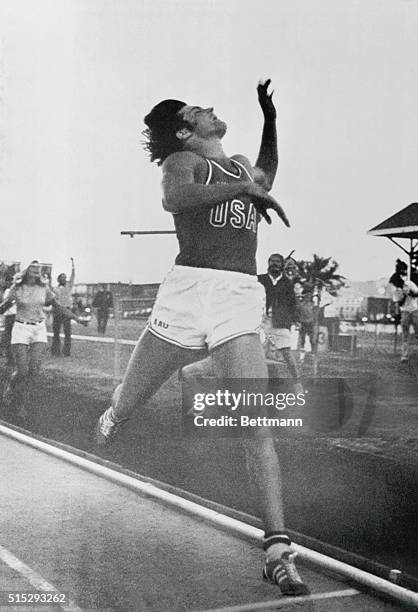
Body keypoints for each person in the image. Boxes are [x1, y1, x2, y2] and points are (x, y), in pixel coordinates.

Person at [95, 80, 309, 596]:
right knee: (130, 402)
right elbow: (176, 200)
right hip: (188, 294)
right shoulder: (183, 165)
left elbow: (265, 173)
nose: (211, 108)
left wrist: (271, 120)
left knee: (254, 422)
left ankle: (277, 551)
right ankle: (114, 414)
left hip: (237, 296)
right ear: (187, 132)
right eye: (199, 110)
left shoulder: (238, 165)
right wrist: (245, 189)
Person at [0, 261, 84, 417]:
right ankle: (11, 388)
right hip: (21, 328)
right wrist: (6, 303)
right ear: (27, 272)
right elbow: (4, 307)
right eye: (33, 269)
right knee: (22, 371)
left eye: (38, 270)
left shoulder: (44, 289)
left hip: (39, 329)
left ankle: (22, 405)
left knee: (34, 371)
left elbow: (58, 307)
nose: (37, 272)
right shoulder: (17, 288)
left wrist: (77, 319)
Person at [258, 253, 302, 393]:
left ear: (282, 265)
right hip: (261, 321)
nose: (274, 264)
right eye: (272, 261)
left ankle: (297, 384)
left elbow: (292, 304)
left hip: (280, 322)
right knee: (256, 352)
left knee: (286, 353)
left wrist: (296, 320)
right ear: (268, 263)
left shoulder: (287, 283)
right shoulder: (260, 279)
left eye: (277, 262)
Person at [389, 260, 418, 364]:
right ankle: (406, 356)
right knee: (407, 335)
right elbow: (399, 301)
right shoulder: (398, 289)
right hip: (407, 311)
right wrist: (405, 294)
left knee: (416, 334)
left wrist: (412, 294)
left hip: (412, 310)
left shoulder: (409, 284)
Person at [51, 257, 76, 356]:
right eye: (62, 278)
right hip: (57, 310)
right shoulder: (55, 289)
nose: (64, 279)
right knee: (56, 332)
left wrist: (73, 264)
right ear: (59, 279)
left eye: (65, 278)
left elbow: (73, 275)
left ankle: (66, 351)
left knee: (67, 332)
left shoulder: (69, 286)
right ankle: (55, 351)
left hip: (66, 310)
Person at [1, 275, 17, 367]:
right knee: (9, 339)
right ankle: (11, 359)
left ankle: (11, 360)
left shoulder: (10, 291)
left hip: (12, 317)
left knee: (9, 338)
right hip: (11, 316)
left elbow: (8, 303)